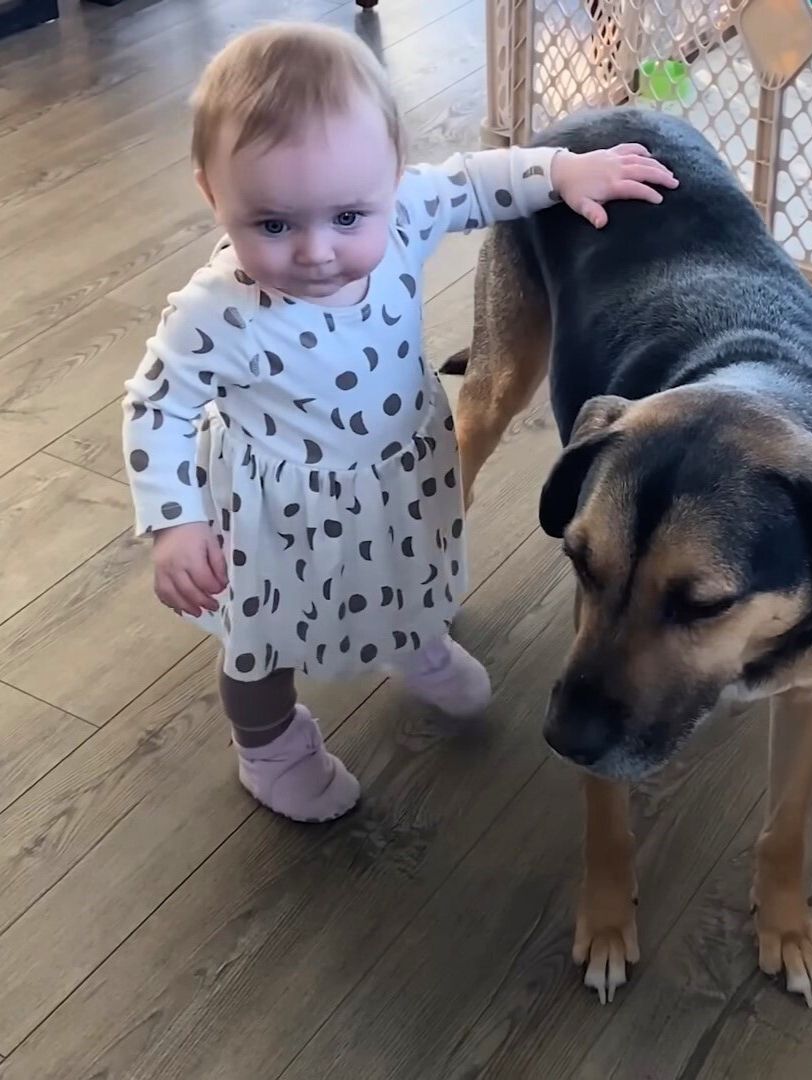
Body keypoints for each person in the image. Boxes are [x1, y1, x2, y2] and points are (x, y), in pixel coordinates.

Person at [121, 23, 677, 823]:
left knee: (411, 569)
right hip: (278, 515)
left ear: (390, 178)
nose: (317, 250)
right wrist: (175, 524)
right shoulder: (216, 310)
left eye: (349, 216)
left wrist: (561, 169)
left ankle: (408, 642)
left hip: (399, 474)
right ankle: (269, 745)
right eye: (272, 225)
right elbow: (155, 404)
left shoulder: (405, 208)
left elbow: (474, 182)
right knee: (263, 641)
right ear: (213, 194)